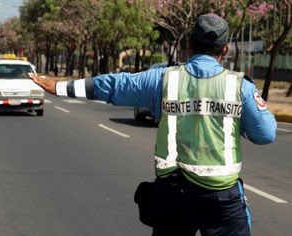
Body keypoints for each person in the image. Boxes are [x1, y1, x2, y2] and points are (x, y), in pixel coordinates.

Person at [28, 13, 276, 236]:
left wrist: (61, 87)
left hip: (173, 196)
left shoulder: (164, 79)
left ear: (189, 45)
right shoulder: (239, 87)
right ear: (226, 49)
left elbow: (115, 85)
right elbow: (266, 134)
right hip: (223, 200)